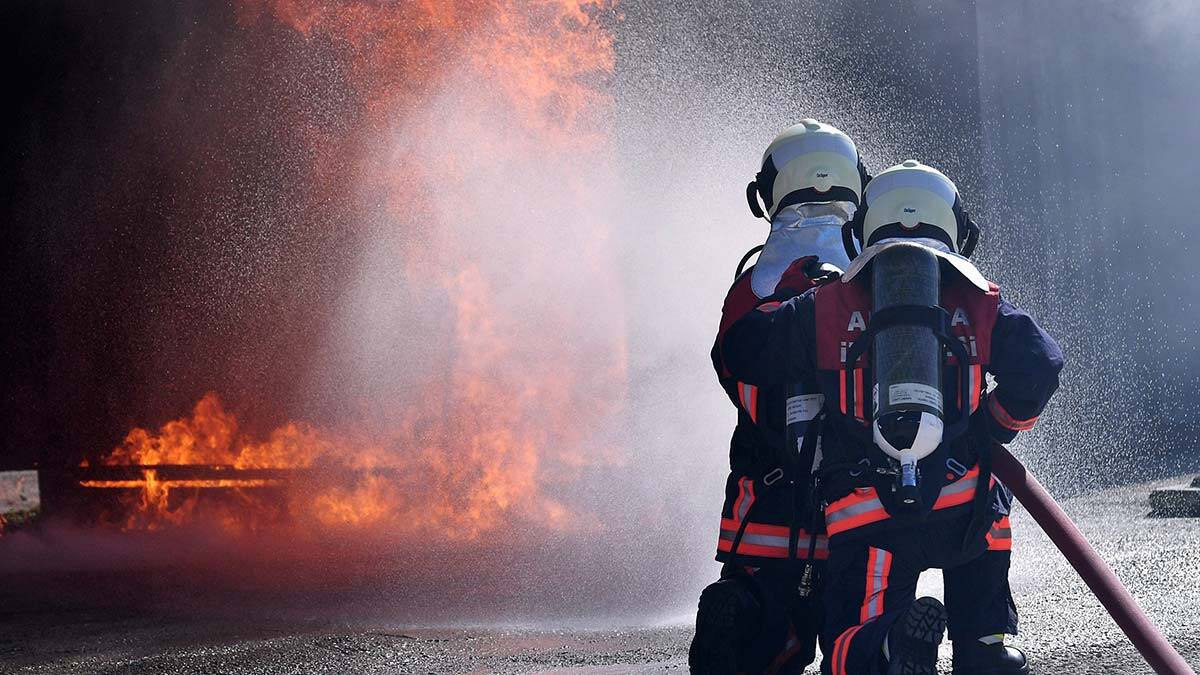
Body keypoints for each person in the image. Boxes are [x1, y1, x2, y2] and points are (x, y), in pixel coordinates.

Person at [721, 160, 1063, 675]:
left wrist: (793, 285)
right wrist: (993, 426)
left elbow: (741, 353)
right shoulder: (981, 301)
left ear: (861, 233)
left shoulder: (827, 304)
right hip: (965, 507)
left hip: (868, 514)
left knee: (850, 643)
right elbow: (1042, 363)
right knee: (985, 598)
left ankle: (884, 645)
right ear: (956, 231)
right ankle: (986, 646)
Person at [690, 119, 870, 674]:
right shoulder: (881, 273)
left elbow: (731, 370)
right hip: (860, 511)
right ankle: (878, 649)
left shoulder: (756, 285)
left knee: (766, 642)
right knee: (861, 636)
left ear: (766, 195)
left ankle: (745, 614)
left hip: (766, 510)